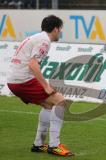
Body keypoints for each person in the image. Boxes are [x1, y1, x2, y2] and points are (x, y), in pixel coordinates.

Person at [7, 15, 74, 156]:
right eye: (60, 29)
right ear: (55, 29)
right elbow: (32, 64)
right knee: (60, 101)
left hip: (15, 80)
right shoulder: (44, 41)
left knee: (48, 105)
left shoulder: (38, 37)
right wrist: (46, 86)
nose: (60, 32)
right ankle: (54, 145)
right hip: (22, 80)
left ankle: (38, 144)